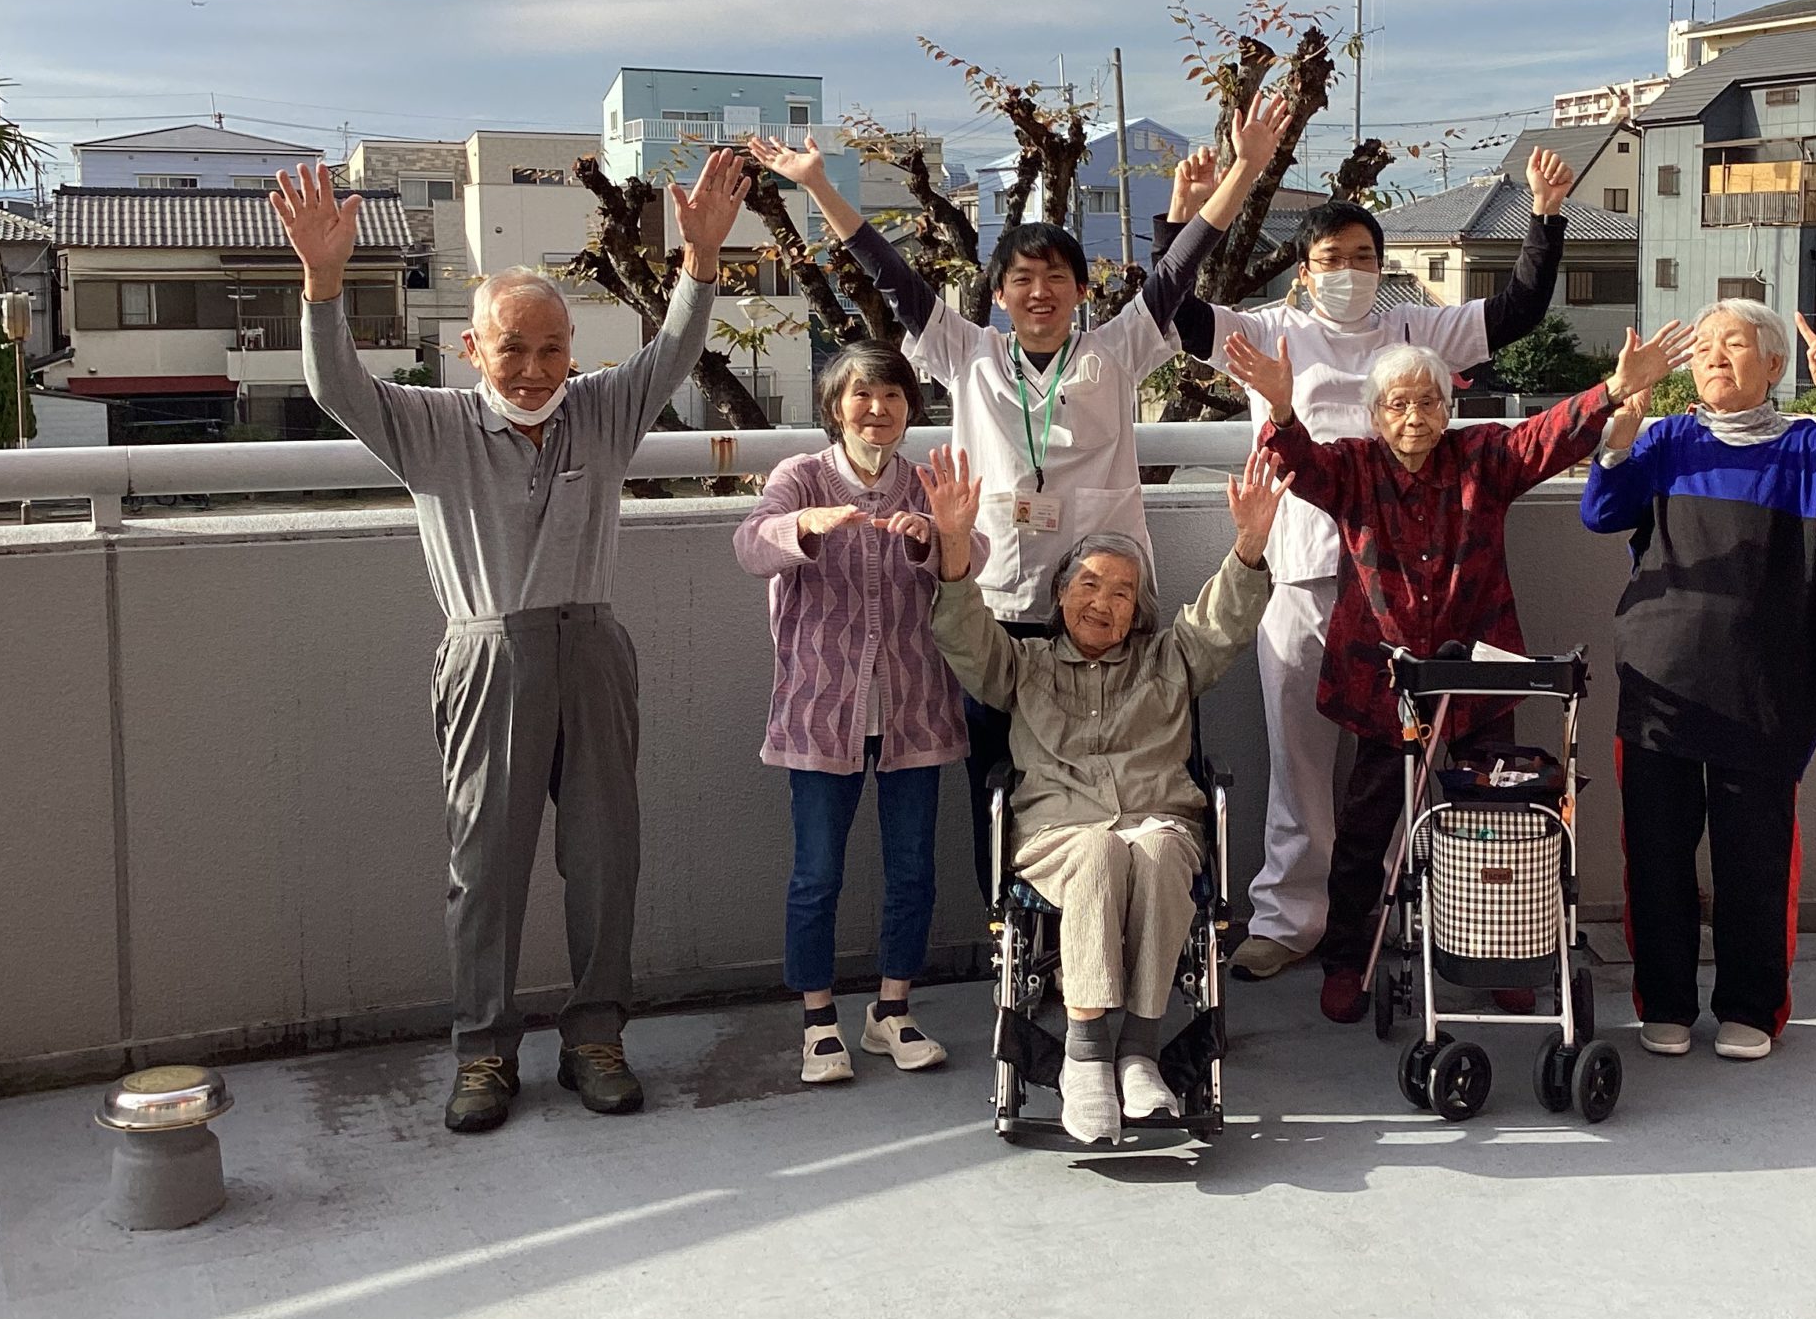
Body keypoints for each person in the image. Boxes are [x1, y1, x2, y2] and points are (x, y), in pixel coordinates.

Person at [274, 151, 749, 1133]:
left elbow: (672, 351)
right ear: (471, 348)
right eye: (512, 349)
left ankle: (596, 1038)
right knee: (485, 866)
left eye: (551, 349)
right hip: (488, 656)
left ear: (573, 350)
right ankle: (483, 1051)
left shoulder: (604, 410)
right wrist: (322, 282)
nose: (534, 369)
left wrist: (700, 261)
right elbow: (335, 387)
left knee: (606, 860)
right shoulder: (429, 426)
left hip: (593, 650)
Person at [747, 100, 1286, 896]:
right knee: (999, 798)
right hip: (1000, 615)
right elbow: (890, 276)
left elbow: (1180, 269)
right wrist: (821, 185)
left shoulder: (1115, 349)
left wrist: (1245, 168)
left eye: (1056, 278)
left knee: (1141, 773)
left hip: (1108, 614)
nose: (1040, 292)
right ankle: (1010, 931)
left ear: (1081, 290)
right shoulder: (967, 353)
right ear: (999, 293)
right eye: (1023, 280)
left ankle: (1138, 910)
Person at [1155, 147, 1579, 983]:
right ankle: (1290, 918)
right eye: (1330, 258)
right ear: (1304, 270)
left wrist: (1546, 214)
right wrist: (1181, 215)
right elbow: (1170, 308)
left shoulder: (1417, 328)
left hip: (1409, 587)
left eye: (1362, 257)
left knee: (1409, 761)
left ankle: (1394, 911)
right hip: (1304, 571)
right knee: (1301, 762)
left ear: (1381, 268)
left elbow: (1521, 308)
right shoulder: (1268, 330)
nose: (1347, 271)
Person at [1231, 320, 1686, 1023]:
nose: (1414, 417)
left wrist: (1616, 387)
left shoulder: (1482, 458)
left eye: (1428, 402)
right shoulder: (1353, 467)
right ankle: (1347, 958)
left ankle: (1500, 951)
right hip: (1387, 683)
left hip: (1480, 678)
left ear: (1449, 409)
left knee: (1496, 815)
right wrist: (1283, 408)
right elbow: (1297, 462)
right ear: (1376, 414)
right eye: (1398, 404)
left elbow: (1546, 436)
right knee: (1364, 827)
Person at [1580, 298, 1816, 1063]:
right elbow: (1601, 514)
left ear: (1774, 364)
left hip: (1763, 690)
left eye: (1733, 344)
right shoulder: (1668, 441)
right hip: (1659, 682)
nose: (1714, 356)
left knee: (1754, 859)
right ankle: (1665, 1003)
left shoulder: (1812, 449)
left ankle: (1750, 1007)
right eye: (1703, 346)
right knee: (1656, 854)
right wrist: (1620, 436)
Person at [921, 443, 1284, 1146]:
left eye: (1121, 592)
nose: (1102, 602)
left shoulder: (1169, 659)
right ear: (1060, 597)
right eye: (1087, 585)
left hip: (1157, 825)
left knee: (1157, 849)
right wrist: (956, 544)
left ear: (1137, 610)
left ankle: (1139, 1054)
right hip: (1058, 838)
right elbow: (963, 636)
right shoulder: (1022, 664)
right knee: (1095, 848)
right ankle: (1087, 1058)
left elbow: (1223, 623)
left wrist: (1248, 544)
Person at [733, 340, 978, 1086]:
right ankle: (818, 1021)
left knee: (913, 871)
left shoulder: (925, 480)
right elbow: (750, 545)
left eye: (893, 396)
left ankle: (892, 1009)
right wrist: (806, 524)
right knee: (816, 873)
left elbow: (975, 558)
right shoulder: (799, 475)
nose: (878, 410)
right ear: (835, 407)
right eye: (862, 396)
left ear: (911, 408)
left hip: (915, 708)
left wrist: (940, 537)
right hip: (821, 708)